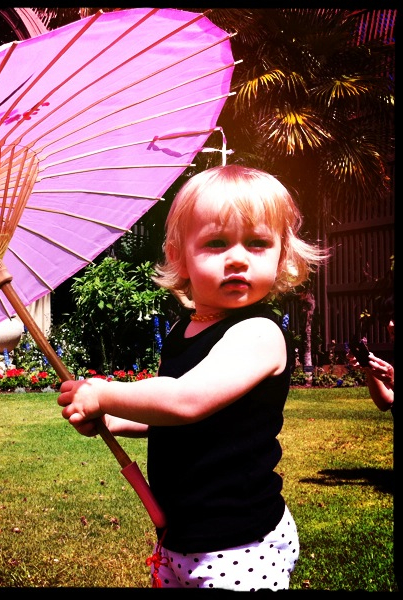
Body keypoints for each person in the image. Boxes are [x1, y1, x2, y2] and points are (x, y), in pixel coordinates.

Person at [58, 164, 329, 590]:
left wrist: (105, 394)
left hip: (238, 543)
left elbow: (186, 401)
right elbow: (172, 417)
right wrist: (112, 419)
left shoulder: (259, 333)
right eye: (216, 243)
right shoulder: (182, 331)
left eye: (258, 243)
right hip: (181, 535)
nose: (237, 258)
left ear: (282, 257)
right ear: (178, 256)